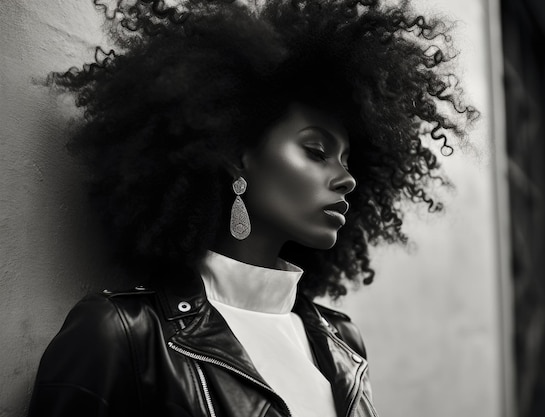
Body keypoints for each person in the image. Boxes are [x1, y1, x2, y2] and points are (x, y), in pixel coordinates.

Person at [28, 0, 476, 416]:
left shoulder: (343, 342)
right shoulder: (122, 334)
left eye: (347, 159)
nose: (347, 178)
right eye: (317, 151)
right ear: (237, 157)